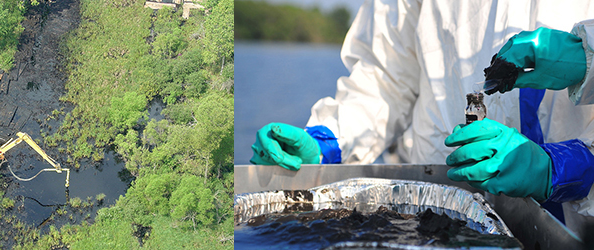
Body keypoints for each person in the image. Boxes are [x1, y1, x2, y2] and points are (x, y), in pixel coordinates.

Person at [250, 0, 594, 237]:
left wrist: (573, 167)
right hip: (434, 213)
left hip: (572, 224)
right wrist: (330, 139)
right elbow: (386, 75)